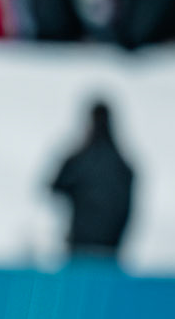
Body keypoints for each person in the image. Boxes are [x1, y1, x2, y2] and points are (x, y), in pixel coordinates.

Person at [49, 101, 136, 259]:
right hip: (110, 248)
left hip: (80, 246)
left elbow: (54, 186)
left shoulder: (79, 160)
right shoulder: (122, 166)